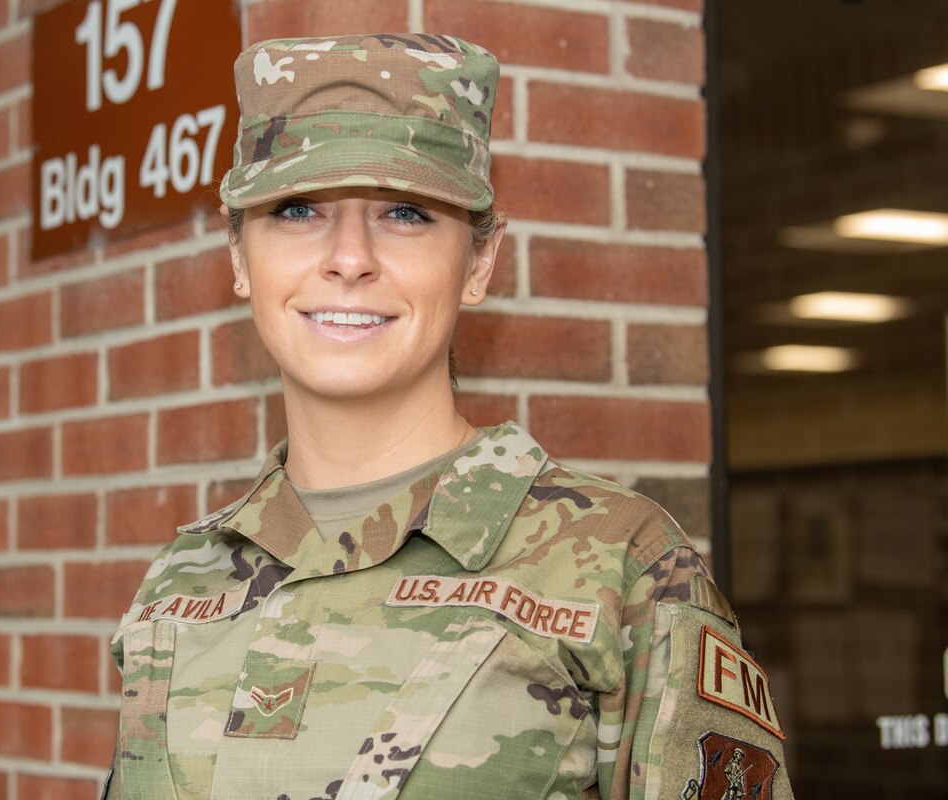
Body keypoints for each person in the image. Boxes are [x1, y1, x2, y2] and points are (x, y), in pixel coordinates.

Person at [104, 33, 793, 800]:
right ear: (239, 258)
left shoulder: (619, 568)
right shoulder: (179, 585)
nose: (349, 257)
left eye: (406, 213)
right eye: (296, 209)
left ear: (480, 264)